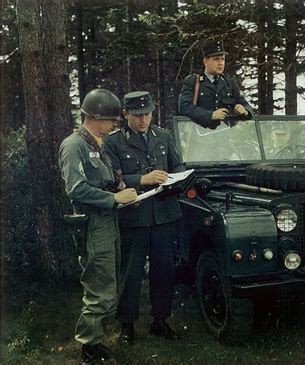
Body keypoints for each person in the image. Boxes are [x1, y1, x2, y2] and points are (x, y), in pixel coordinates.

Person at [59, 88, 137, 364]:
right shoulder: (75, 145)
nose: (114, 125)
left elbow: (100, 181)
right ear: (95, 117)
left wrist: (119, 187)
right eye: (111, 120)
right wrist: (114, 198)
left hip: (108, 223)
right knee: (98, 290)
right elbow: (76, 188)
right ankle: (89, 349)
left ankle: (95, 341)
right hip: (93, 225)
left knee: (107, 286)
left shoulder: (95, 145)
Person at [103, 91, 184, 345]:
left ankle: (160, 321)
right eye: (138, 115)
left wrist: (175, 178)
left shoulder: (163, 136)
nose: (143, 120)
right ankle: (127, 325)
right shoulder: (113, 142)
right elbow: (111, 180)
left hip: (163, 214)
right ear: (125, 115)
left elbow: (178, 165)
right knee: (131, 272)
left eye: (147, 114)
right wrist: (142, 180)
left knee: (165, 271)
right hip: (134, 216)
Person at [178, 40, 254, 129]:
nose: (221, 63)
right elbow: (184, 107)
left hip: (227, 135)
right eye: (216, 59)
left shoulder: (229, 83)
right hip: (201, 135)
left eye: (222, 59)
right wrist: (211, 115)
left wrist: (244, 111)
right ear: (205, 61)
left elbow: (246, 105)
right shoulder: (193, 82)